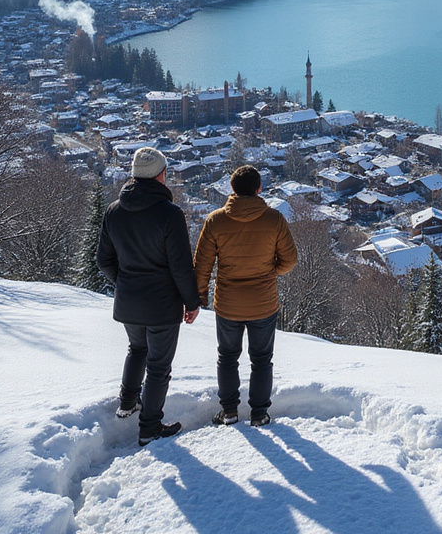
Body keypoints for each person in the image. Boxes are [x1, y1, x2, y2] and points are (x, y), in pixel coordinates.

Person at [96, 146, 200, 447]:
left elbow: (103, 260)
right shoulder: (170, 215)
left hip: (129, 300)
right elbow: (181, 268)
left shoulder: (114, 210)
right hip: (162, 304)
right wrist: (191, 302)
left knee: (137, 348)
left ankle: (127, 402)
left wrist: (125, 282)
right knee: (158, 365)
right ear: (162, 175)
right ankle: (150, 427)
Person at [193, 164, 298, 427]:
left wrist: (199, 298)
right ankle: (259, 413)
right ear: (259, 188)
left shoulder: (216, 220)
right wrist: (271, 271)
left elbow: (202, 266)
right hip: (264, 302)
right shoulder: (273, 219)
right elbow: (290, 260)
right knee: (261, 360)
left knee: (227, 357)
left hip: (228, 304)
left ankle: (229, 411)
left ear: (232, 189)